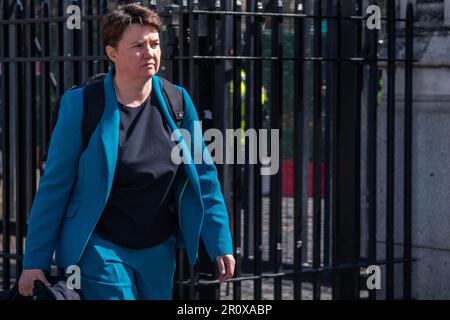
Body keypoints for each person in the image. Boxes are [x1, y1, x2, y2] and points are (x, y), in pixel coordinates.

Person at [18, 3, 235, 300]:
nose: (150, 53)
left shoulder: (177, 101)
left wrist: (220, 241)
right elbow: (55, 185)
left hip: (158, 246)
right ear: (112, 53)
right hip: (100, 246)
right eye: (137, 45)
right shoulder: (83, 103)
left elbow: (204, 175)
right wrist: (34, 262)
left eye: (154, 43)